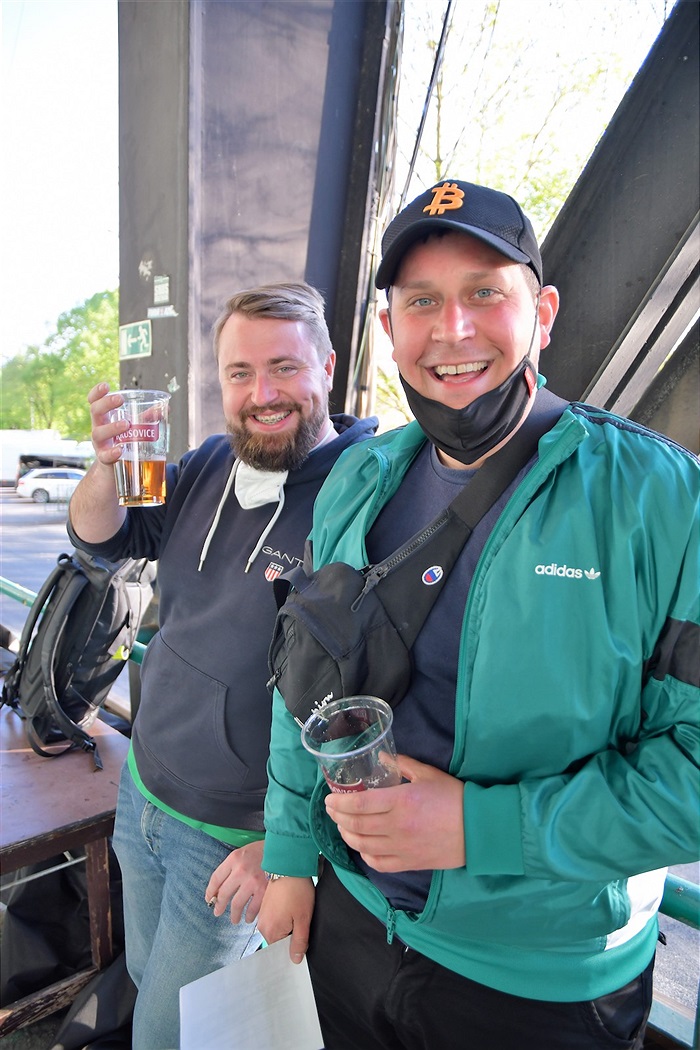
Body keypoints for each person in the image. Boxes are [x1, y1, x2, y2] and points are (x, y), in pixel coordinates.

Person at [257, 181, 700, 1049]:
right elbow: (300, 676)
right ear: (389, 329)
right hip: (351, 927)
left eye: (485, 293)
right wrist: (286, 855)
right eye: (421, 300)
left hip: (540, 983)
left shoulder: (663, 499)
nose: (451, 330)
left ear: (543, 310)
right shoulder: (359, 477)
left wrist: (480, 826)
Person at [67, 281, 378, 1050]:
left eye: (283, 369)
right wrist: (106, 466)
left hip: (234, 844)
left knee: (173, 1036)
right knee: (146, 982)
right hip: (144, 794)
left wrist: (285, 845)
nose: (261, 394)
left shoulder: (366, 489)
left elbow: (372, 697)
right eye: (240, 374)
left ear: (329, 367)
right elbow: (101, 542)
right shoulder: (210, 462)